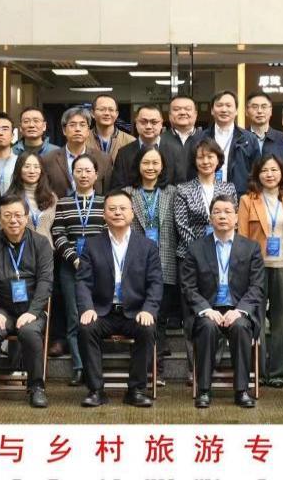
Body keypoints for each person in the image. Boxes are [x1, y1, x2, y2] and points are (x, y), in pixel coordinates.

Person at [76, 191, 162, 407]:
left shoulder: (147, 246)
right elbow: (83, 281)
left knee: (148, 329)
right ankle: (96, 390)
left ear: (132, 213)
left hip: (135, 311)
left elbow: (155, 283)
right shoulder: (92, 245)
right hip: (102, 311)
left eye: (123, 208)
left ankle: (136, 390)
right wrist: (87, 307)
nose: (117, 213)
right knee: (86, 328)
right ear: (104, 214)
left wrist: (148, 309)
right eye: (112, 209)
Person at [179, 195, 265, 408]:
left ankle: (241, 390)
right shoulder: (196, 248)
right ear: (210, 218)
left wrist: (240, 310)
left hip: (238, 309)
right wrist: (206, 309)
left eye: (227, 211)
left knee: (241, 327)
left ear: (236, 217)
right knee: (207, 326)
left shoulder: (251, 248)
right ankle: (204, 390)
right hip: (209, 309)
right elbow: (188, 287)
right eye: (217, 212)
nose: (222, 216)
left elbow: (257, 287)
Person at [0, 196, 54, 408]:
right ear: (0, 218)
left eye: (18, 215)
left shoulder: (40, 243)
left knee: (30, 333)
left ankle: (36, 388)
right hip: (2, 309)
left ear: (26, 217)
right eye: (7, 215)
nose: (13, 220)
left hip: (31, 309)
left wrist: (33, 311)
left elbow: (46, 282)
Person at [236, 153, 283, 388]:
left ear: (282, 173)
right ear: (257, 174)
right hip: (256, 267)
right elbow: (242, 236)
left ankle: (278, 371)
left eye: (274, 170)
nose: (269, 174)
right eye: (264, 170)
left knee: (282, 320)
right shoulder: (247, 200)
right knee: (257, 319)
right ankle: (259, 370)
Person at [50, 154, 108, 386]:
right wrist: (74, 258)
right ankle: (79, 366)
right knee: (74, 316)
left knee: (96, 314)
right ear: (72, 174)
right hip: (70, 267)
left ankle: (95, 366)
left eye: (88, 171)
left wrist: (94, 261)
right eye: (79, 171)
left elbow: (109, 232)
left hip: (99, 269)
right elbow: (58, 233)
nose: (83, 175)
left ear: (96, 174)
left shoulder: (105, 203)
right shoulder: (64, 203)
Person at [126, 146, 179, 375]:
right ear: (138, 165)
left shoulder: (173, 192)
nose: (150, 167)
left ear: (162, 166)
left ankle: (156, 369)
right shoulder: (127, 193)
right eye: (146, 162)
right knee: (142, 317)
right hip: (136, 264)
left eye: (155, 163)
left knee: (160, 318)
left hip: (165, 261)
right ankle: (144, 368)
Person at [173, 139, 239, 264]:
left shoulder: (229, 188)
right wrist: (199, 250)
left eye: (210, 157)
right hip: (190, 255)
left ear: (218, 159)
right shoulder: (183, 189)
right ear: (194, 161)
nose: (205, 161)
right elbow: (182, 225)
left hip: (222, 251)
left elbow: (233, 220)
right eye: (200, 157)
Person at [187, 90, 260, 189]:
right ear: (212, 110)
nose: (224, 109)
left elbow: (256, 172)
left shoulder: (249, 139)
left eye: (228, 105)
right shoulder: (199, 138)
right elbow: (192, 170)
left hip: (240, 195)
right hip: (206, 193)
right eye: (219, 105)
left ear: (236, 111)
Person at [111, 104, 189, 188]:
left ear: (161, 124)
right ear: (136, 123)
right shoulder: (124, 153)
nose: (148, 126)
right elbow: (117, 187)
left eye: (154, 122)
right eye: (143, 122)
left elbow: (181, 185)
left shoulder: (175, 151)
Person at [44, 107, 113, 196]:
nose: (77, 129)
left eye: (82, 125)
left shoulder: (103, 159)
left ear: (88, 131)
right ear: (64, 130)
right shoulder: (49, 159)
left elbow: (108, 194)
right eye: (72, 125)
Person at [7, 152, 59, 236]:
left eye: (36, 167)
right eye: (27, 166)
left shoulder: (51, 197)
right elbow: (2, 228)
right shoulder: (10, 198)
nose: (32, 171)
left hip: (46, 244)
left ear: (41, 170)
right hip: (20, 244)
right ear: (19, 169)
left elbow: (57, 228)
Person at [245, 91, 283, 156]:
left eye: (264, 107)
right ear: (246, 111)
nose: (259, 111)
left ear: (271, 111)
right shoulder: (239, 139)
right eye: (255, 107)